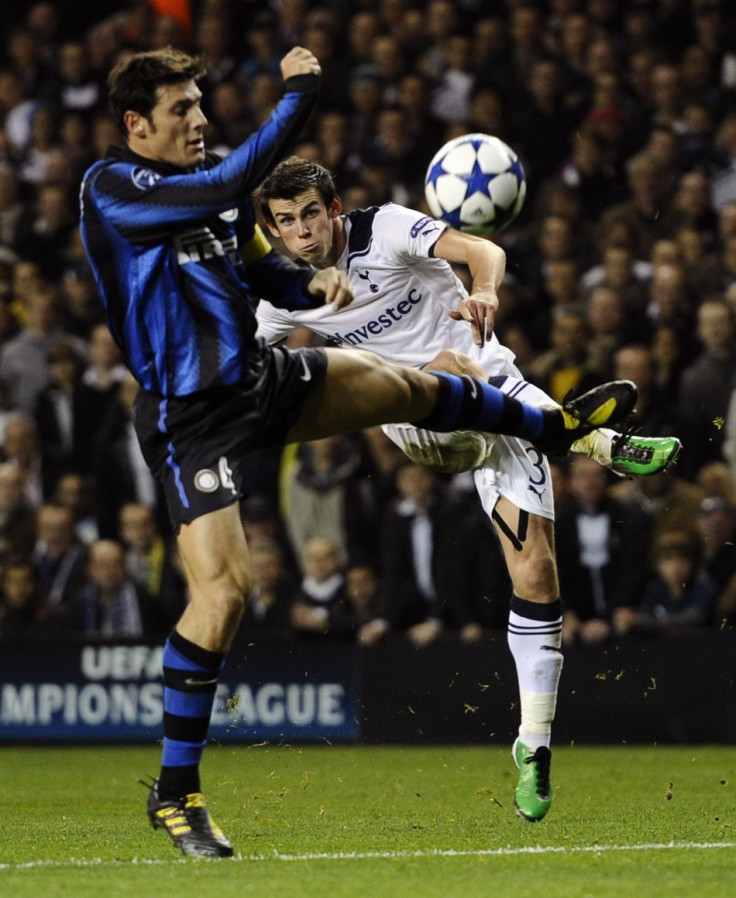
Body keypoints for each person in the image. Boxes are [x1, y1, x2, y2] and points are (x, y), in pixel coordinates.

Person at [79, 46, 637, 859]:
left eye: (201, 105)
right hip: (189, 416)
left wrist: (308, 289)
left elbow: (256, 275)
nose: (199, 121)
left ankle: (554, 428)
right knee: (225, 596)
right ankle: (175, 794)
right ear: (137, 125)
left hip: (258, 379)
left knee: (393, 383)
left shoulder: (216, 203)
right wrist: (298, 97)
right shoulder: (114, 188)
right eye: (182, 111)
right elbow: (229, 186)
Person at [255, 156, 681, 824]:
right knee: (454, 366)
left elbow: (483, 248)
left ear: (334, 209)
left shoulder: (388, 228)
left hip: (503, 399)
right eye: (285, 222)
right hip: (417, 418)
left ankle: (533, 746)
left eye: (310, 213)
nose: (302, 232)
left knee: (537, 570)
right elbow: (242, 365)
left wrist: (484, 290)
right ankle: (589, 440)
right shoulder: (284, 294)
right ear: (273, 233)